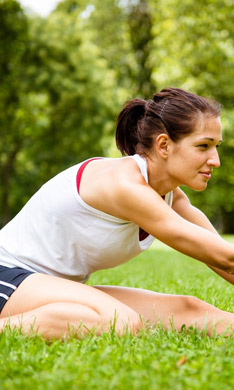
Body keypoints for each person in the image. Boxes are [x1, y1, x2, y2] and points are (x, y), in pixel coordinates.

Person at [1, 87, 234, 340]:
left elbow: (219, 257)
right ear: (164, 145)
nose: (215, 160)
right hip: (8, 276)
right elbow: (227, 257)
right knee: (120, 321)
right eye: (204, 146)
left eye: (216, 146)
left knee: (193, 311)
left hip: (52, 288)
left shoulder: (171, 195)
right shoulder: (125, 185)